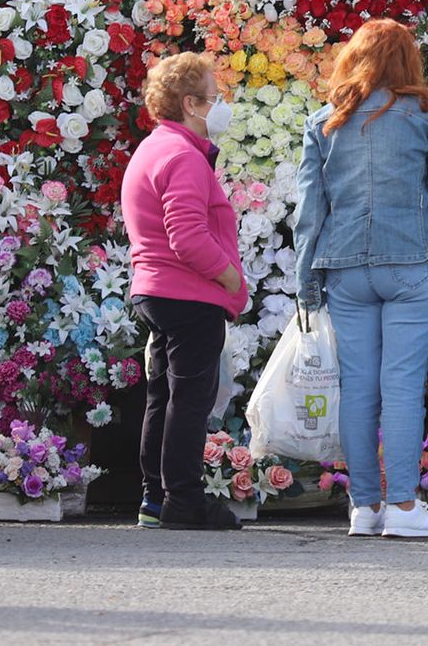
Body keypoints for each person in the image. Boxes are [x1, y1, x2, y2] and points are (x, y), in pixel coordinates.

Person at [294, 19, 428, 540]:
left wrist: (304, 282)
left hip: (347, 269)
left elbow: (309, 213)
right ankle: (403, 507)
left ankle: (365, 507)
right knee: (401, 385)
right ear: (408, 62)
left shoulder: (324, 124)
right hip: (414, 265)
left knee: (357, 387)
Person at [121, 52, 247, 531]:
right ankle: (185, 500)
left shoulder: (153, 149)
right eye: (214, 97)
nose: (220, 106)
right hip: (188, 294)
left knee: (162, 397)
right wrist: (229, 277)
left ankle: (155, 499)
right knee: (190, 401)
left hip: (155, 291)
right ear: (191, 104)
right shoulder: (184, 157)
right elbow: (188, 235)